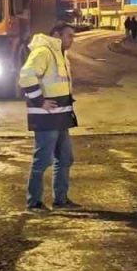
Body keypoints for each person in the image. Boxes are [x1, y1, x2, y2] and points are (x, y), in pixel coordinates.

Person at [17, 22, 79, 210]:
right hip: (46, 117)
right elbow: (26, 76)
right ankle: (34, 202)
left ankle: (61, 199)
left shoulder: (61, 54)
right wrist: (40, 101)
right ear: (57, 35)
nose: (72, 40)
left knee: (65, 158)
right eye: (69, 36)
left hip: (60, 117)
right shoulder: (43, 52)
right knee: (42, 160)